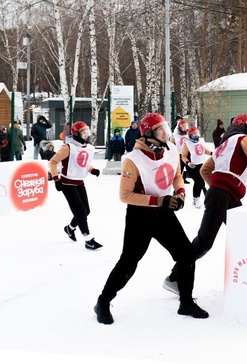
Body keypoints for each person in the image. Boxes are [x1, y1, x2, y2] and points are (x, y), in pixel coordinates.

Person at [94, 113, 209, 325]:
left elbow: (176, 176)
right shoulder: (133, 159)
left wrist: (181, 192)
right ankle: (103, 301)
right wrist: (160, 201)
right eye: (160, 129)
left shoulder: (171, 149)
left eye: (165, 127)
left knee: (186, 255)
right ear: (148, 134)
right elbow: (125, 196)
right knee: (129, 262)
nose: (166, 132)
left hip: (163, 213)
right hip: (141, 216)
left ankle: (185, 302)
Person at [162, 113, 247, 295]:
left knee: (243, 234)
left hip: (228, 197)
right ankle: (174, 277)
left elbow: (205, 170)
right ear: (243, 126)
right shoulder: (244, 139)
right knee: (204, 242)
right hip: (223, 196)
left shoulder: (224, 145)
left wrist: (219, 186)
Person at [49, 121, 102, 250]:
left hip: (79, 182)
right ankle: (88, 239)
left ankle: (70, 228)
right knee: (80, 210)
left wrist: (92, 170)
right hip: (67, 183)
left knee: (86, 210)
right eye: (83, 133)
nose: (86, 135)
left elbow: (83, 163)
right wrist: (56, 179)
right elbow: (53, 162)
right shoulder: (68, 147)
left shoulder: (87, 148)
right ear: (77, 134)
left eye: (87, 133)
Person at [182, 126, 212, 208]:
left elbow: (204, 150)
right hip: (191, 165)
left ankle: (201, 196)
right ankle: (196, 198)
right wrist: (188, 163)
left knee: (201, 181)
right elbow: (183, 156)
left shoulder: (201, 141)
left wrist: (212, 153)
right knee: (198, 181)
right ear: (190, 135)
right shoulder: (187, 143)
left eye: (197, 133)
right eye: (194, 133)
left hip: (200, 163)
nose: (196, 135)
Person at [170, 118, 191, 184]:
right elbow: (170, 146)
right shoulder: (175, 136)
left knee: (193, 171)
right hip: (179, 156)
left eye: (186, 126)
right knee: (179, 172)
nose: (185, 128)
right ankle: (177, 188)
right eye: (183, 127)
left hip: (187, 155)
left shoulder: (188, 135)